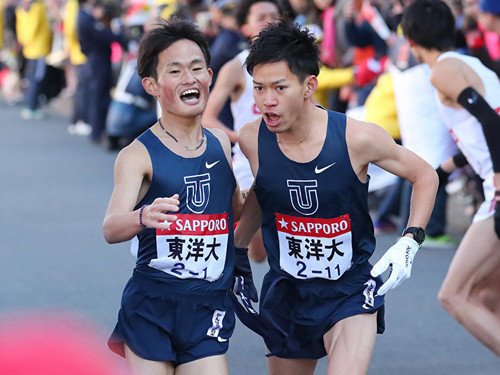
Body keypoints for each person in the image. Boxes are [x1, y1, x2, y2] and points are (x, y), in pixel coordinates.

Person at [233, 20, 438, 375]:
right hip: (287, 292)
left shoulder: (356, 138)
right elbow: (262, 194)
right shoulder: (252, 139)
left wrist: (411, 241)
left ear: (309, 85)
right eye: (259, 88)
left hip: (349, 291)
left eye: (279, 87)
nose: (267, 100)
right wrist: (235, 252)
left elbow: (425, 175)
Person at [103, 18, 244, 375]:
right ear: (151, 84)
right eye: (176, 71)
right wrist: (142, 217)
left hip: (207, 304)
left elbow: (233, 211)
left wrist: (265, 185)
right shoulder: (137, 154)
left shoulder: (221, 142)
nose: (189, 78)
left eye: (197, 68)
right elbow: (110, 227)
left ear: (210, 76)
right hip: (153, 306)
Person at [401, 0, 500, 356]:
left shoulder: (440, 71)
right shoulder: (472, 64)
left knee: (455, 295)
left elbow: (491, 122)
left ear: (411, 41)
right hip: (492, 181)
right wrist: (446, 167)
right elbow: (480, 131)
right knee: (487, 297)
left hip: (498, 190)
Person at [202, 0, 282, 262]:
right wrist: (245, 140)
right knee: (258, 252)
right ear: (245, 26)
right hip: (250, 165)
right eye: (261, 16)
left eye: (274, 15)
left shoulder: (296, 66)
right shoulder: (235, 67)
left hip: (292, 160)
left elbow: (317, 110)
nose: (269, 21)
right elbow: (208, 118)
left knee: (287, 246)